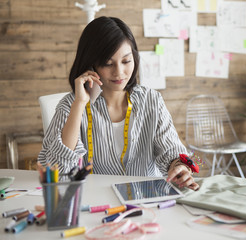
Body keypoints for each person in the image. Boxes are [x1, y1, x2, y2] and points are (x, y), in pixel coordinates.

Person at [38, 16, 199, 190]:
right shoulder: (70, 105)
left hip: (147, 202)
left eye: (126, 61)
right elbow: (56, 169)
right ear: (91, 64)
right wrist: (79, 103)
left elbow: (171, 151)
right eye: (108, 63)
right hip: (96, 203)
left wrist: (178, 166)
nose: (119, 73)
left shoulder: (151, 100)